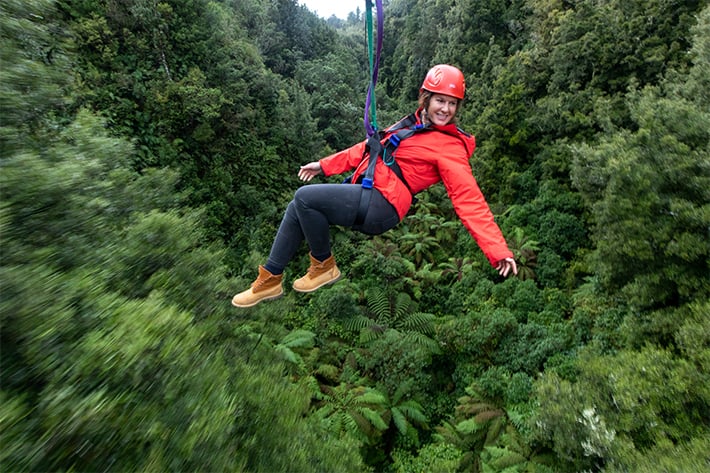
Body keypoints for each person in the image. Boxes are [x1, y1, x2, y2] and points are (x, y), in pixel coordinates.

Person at [232, 64, 517, 308]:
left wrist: (497, 250)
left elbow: (469, 200)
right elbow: (372, 148)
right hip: (372, 193)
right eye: (440, 101)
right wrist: (324, 165)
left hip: (383, 205)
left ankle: (323, 266)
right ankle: (270, 279)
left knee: (305, 198)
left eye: (452, 103)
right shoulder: (412, 124)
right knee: (298, 206)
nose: (446, 109)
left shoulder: (450, 148)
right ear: (426, 99)